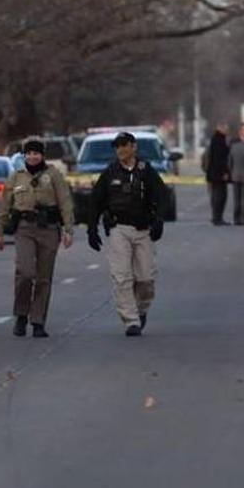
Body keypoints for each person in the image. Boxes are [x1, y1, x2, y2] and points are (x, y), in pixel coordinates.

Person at [86, 132, 167, 336]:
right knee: (122, 277)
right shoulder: (110, 173)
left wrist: (159, 220)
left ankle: (141, 310)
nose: (121, 150)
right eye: (117, 146)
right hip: (118, 229)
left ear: (133, 147)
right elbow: (95, 202)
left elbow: (162, 196)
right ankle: (131, 321)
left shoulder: (146, 171)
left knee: (146, 279)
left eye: (124, 145)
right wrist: (91, 229)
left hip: (143, 229)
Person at [0, 139, 75, 338]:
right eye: (28, 153)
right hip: (24, 228)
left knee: (43, 278)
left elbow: (65, 202)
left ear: (42, 155)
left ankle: (38, 320)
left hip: (48, 229)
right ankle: (21, 314)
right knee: (25, 273)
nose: (32, 157)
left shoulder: (53, 175)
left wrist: (68, 229)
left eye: (36, 153)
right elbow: (4, 205)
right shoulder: (16, 177)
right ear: (24, 156)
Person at [201, 124, 231, 225]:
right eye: (225, 128)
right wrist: (224, 172)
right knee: (220, 196)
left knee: (216, 196)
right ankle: (217, 218)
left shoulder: (214, 140)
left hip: (213, 174)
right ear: (220, 128)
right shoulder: (219, 141)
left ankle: (216, 217)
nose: (227, 130)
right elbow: (220, 159)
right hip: (218, 175)